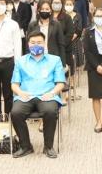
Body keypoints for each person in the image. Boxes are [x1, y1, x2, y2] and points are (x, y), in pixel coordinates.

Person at [10, 31, 66, 159]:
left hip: (47, 95)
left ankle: (48, 147)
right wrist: (20, 92)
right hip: (26, 96)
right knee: (16, 113)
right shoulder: (20, 61)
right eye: (33, 42)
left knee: (50, 111)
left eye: (39, 42)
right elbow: (14, 84)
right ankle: (25, 146)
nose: (36, 45)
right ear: (28, 44)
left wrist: (52, 93)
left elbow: (60, 83)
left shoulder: (55, 60)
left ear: (44, 43)